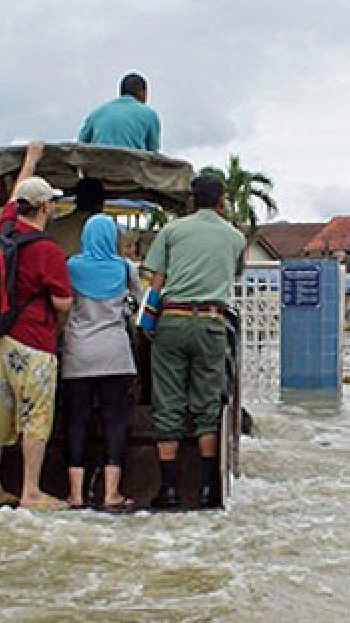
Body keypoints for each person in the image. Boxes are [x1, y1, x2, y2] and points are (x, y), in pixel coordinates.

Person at [142, 174, 245, 508]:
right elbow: (234, 272)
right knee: (207, 407)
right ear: (221, 201)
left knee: (167, 403)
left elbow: (156, 283)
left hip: (172, 320)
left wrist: (147, 320)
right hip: (213, 323)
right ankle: (205, 489)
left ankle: (169, 490)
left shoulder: (171, 231)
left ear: (191, 200)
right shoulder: (235, 237)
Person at [0, 176, 74, 510]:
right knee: (35, 415)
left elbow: (8, 206)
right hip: (34, 342)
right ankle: (30, 491)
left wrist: (30, 162)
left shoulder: (1, 234)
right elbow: (63, 302)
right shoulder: (47, 250)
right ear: (46, 207)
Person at [60, 213, 142, 511]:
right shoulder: (124, 268)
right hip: (115, 353)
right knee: (114, 421)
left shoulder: (71, 266)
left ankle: (75, 494)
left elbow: (63, 303)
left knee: (76, 421)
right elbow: (136, 304)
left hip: (78, 353)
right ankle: (111, 494)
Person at [78, 72, 161, 151]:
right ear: (142, 92)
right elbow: (153, 152)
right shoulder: (150, 115)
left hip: (98, 164)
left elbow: (80, 145)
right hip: (131, 164)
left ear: (121, 92)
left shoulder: (96, 113)